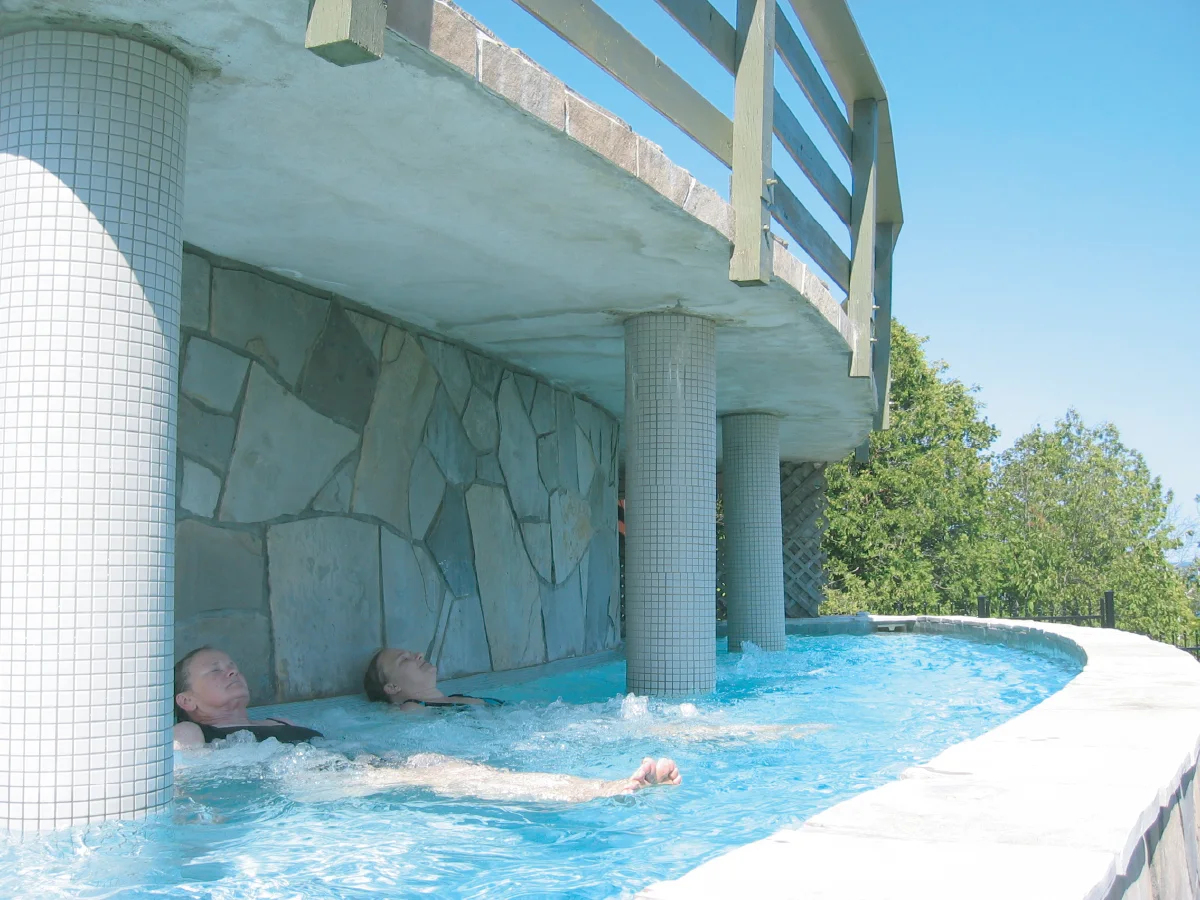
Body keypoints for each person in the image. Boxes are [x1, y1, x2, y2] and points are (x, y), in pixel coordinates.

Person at [173, 646, 682, 802]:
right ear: (187, 700)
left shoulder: (277, 719)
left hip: (339, 765)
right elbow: (181, 774)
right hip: (307, 778)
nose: (231, 670)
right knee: (446, 775)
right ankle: (610, 788)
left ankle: (602, 787)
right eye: (213, 671)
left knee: (441, 766)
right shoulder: (190, 734)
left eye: (232, 664)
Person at [363, 647, 503, 710]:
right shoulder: (411, 709)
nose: (419, 655)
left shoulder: (451, 699)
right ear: (392, 687)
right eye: (405, 659)